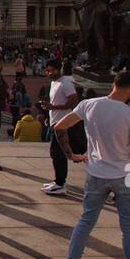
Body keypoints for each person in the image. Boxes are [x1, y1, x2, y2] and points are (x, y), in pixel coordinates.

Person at [54, 72, 130, 259]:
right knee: (129, 226)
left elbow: (59, 127)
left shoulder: (88, 105)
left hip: (96, 171)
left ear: (114, 84)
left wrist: (71, 154)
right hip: (127, 171)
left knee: (86, 220)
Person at [41, 59, 83, 195]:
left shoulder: (65, 83)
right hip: (56, 122)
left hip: (63, 124)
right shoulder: (55, 83)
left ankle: (59, 183)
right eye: (47, 70)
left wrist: (53, 107)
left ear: (59, 69)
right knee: (56, 153)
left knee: (57, 153)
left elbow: (74, 102)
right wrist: (50, 111)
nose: (49, 73)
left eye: (52, 70)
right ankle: (58, 181)